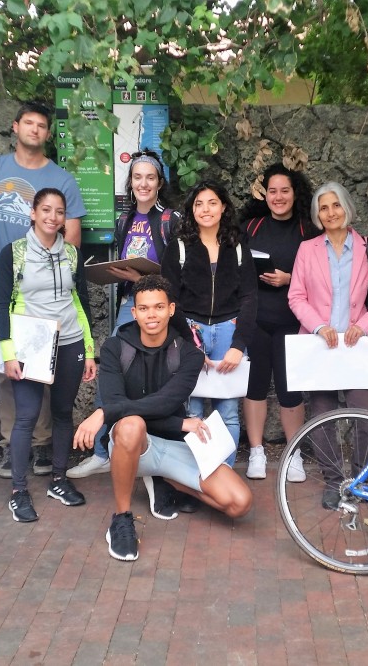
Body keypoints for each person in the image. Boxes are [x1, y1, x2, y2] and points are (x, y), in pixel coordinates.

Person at [73, 275, 253, 561]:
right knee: (132, 424)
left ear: (171, 309)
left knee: (239, 503)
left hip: (172, 445)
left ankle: (167, 480)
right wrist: (179, 422)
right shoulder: (114, 348)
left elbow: (164, 403)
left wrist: (104, 413)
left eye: (158, 307)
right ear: (134, 312)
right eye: (144, 308)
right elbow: (121, 406)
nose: (151, 315)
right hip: (131, 443)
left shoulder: (190, 355)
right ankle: (121, 518)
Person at [0, 101, 87, 479]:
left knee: (50, 365)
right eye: (28, 123)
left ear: (48, 133)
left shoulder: (62, 179)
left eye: (41, 125)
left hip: (45, 289)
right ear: (15, 127)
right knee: (7, 367)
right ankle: (9, 445)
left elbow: (74, 238)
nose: (34, 129)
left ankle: (41, 442)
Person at [67, 148, 181, 480]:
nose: (143, 183)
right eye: (137, 177)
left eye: (150, 177)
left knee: (156, 379)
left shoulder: (170, 220)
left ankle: (154, 456)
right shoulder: (124, 220)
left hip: (160, 312)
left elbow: (180, 272)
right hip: (128, 310)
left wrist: (143, 278)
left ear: (160, 182)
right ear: (129, 183)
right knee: (112, 375)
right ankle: (104, 451)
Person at [288, 181, 368, 510]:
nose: (330, 212)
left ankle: (367, 482)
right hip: (320, 345)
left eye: (336, 205)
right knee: (322, 417)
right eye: (323, 207)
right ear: (317, 214)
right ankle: (334, 481)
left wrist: (362, 327)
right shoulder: (307, 249)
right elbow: (296, 296)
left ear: (346, 208)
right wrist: (319, 326)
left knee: (367, 417)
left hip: (354, 345)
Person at [0, 187, 96, 522]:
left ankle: (58, 479)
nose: (53, 217)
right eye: (46, 210)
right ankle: (19, 491)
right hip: (30, 343)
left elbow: (81, 302)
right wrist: (8, 353)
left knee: (63, 413)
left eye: (59, 211)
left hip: (69, 340)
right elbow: (2, 307)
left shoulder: (72, 254)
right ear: (33, 213)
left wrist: (90, 350)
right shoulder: (14, 253)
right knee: (26, 415)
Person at [161, 181, 258, 465]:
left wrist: (239, 345)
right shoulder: (179, 246)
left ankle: (223, 474)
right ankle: (196, 476)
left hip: (229, 330)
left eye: (212, 202)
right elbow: (170, 299)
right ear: (192, 210)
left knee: (227, 412)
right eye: (199, 204)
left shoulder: (237, 246)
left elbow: (250, 297)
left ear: (224, 207)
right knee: (192, 411)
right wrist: (192, 344)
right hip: (190, 328)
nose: (206, 209)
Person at [238, 163, 320, 482]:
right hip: (256, 319)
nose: (278, 196)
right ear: (265, 194)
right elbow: (236, 269)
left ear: (295, 192)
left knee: (290, 390)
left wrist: (290, 278)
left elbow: (321, 277)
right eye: (272, 190)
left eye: (285, 190)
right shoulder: (251, 227)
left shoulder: (308, 230)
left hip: (293, 321)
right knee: (255, 385)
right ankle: (256, 452)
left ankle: (294, 452)